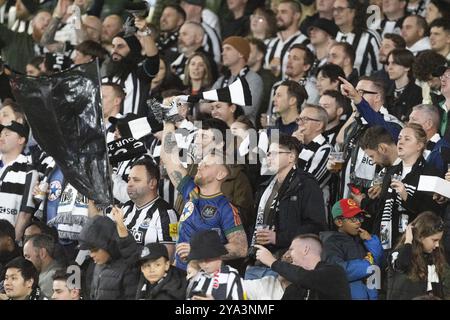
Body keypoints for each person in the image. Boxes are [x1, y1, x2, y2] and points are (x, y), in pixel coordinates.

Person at [161, 121, 248, 271]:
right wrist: (168, 122)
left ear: (221, 174)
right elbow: (168, 158)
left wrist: (199, 251)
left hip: (204, 278)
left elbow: (241, 248)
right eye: (201, 163)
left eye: (207, 165)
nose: (200, 166)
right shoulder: (190, 190)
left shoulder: (226, 208)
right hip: (179, 272)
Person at [249, 134, 327, 279]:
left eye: (273, 153)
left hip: (288, 260)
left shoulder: (306, 184)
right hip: (259, 257)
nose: (268, 157)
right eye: (267, 154)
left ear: (291, 157)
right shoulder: (265, 186)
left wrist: (278, 238)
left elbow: (316, 224)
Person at [373, 124, 444, 250]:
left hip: (416, 244)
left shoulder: (430, 173)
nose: (401, 142)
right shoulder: (391, 172)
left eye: (407, 139)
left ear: (419, 145)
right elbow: (382, 207)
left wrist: (406, 196)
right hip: (387, 240)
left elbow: (430, 214)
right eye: (400, 138)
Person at [254, 234, 351, 300]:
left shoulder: (334, 272)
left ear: (305, 250)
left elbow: (305, 277)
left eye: (291, 249)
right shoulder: (294, 288)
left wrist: (272, 262)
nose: (288, 255)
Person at [321, 199, 383, 300]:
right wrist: (368, 264)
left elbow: (379, 263)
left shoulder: (363, 239)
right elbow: (338, 271)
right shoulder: (332, 243)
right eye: (353, 219)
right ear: (339, 222)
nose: (358, 222)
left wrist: (371, 241)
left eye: (360, 218)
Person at [120, 158, 179, 258]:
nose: (129, 184)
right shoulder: (125, 208)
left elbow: (168, 258)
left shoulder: (166, 214)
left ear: (152, 183)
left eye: (136, 180)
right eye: (129, 179)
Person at [102, 16, 159, 117]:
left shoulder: (141, 73)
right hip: (108, 130)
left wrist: (144, 31)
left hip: (135, 130)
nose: (115, 50)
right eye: (113, 46)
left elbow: (153, 58)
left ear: (132, 50)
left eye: (120, 46)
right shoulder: (106, 77)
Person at [78, 215, 139, 300]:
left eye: (95, 250)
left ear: (108, 245)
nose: (91, 255)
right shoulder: (97, 265)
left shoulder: (128, 268)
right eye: (90, 250)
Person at [388, 211, 446, 299]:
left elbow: (437, 289)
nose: (437, 245)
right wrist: (408, 242)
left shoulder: (432, 257)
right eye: (434, 240)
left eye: (439, 241)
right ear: (420, 236)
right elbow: (401, 264)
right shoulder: (398, 253)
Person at [211, 36, 263, 123]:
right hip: (219, 131)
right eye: (223, 49)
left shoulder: (254, 79)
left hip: (243, 132)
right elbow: (204, 105)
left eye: (228, 49)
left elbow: (245, 109)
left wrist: (217, 105)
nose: (223, 53)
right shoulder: (222, 80)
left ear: (241, 53)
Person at [0, 121, 37, 241]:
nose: (1, 137)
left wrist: (13, 243)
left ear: (21, 140)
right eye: (1, 134)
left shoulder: (29, 171)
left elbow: (25, 213)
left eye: (7, 134)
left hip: (6, 240)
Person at [186, 229, 246, 300]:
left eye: (208, 259)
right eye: (200, 260)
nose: (204, 263)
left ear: (219, 255)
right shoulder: (197, 277)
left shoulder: (232, 277)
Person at [333, 0, 381, 76]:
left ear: (353, 12)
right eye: (334, 9)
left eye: (340, 9)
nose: (335, 13)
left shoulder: (370, 37)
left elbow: (380, 70)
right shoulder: (333, 38)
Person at [264, 0, 309, 79]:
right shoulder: (269, 43)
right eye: (277, 12)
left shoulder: (305, 44)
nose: (278, 16)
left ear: (296, 15)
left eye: (283, 12)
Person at [408, 104, 450, 175]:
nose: (409, 123)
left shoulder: (444, 151)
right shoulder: (409, 148)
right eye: (409, 119)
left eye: (414, 120)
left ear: (429, 124)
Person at [385, 48, 422, 122]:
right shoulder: (385, 90)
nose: (389, 67)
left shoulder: (417, 93)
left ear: (407, 67)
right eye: (388, 63)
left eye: (394, 63)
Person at [23, 234, 63, 299]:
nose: (25, 262)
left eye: (28, 256)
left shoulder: (50, 278)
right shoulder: (55, 269)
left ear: (42, 253)